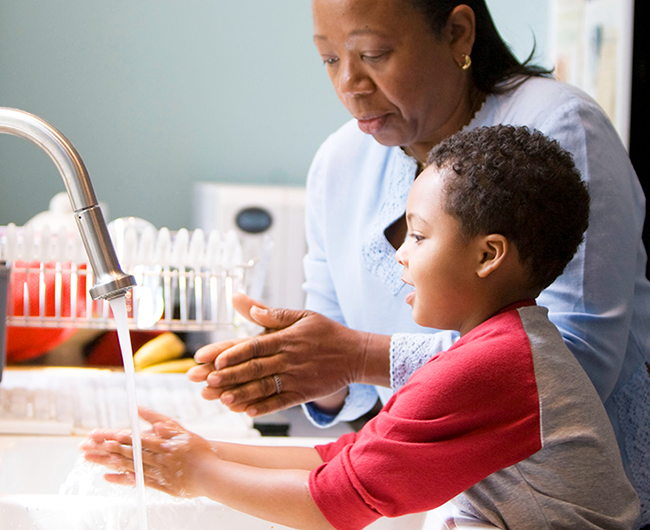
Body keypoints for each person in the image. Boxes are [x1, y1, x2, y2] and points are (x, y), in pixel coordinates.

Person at [189, 0, 650, 526]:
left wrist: (357, 356)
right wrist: (289, 362)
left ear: (457, 33)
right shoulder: (337, 162)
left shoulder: (560, 125)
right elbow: (344, 415)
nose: (350, 85)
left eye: (374, 54)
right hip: (437, 496)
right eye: (329, 60)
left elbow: (575, 363)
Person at [83, 126, 640, 530]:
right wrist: (208, 452)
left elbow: (333, 504)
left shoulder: (496, 366)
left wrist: (195, 474)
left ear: (488, 255)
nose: (400, 253)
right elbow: (343, 459)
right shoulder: (502, 347)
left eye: (419, 236)